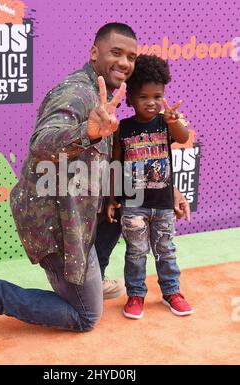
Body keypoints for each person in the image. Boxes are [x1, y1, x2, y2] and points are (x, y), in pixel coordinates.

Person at [0, 23, 190, 344]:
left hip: (78, 212)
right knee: (85, 316)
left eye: (130, 56)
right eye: (115, 53)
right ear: (94, 53)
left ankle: (93, 276)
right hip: (54, 220)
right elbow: (42, 143)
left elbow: (122, 163)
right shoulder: (77, 93)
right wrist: (87, 132)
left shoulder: (102, 93)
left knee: (123, 206)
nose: (124, 63)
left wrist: (168, 189)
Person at [107, 54, 193, 319]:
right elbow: (117, 164)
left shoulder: (165, 124)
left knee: (166, 251)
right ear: (130, 98)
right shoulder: (123, 128)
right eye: (144, 97)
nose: (152, 102)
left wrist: (173, 121)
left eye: (158, 96)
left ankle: (171, 292)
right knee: (136, 253)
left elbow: (183, 136)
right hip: (133, 206)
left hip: (164, 205)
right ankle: (135, 295)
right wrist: (112, 199)